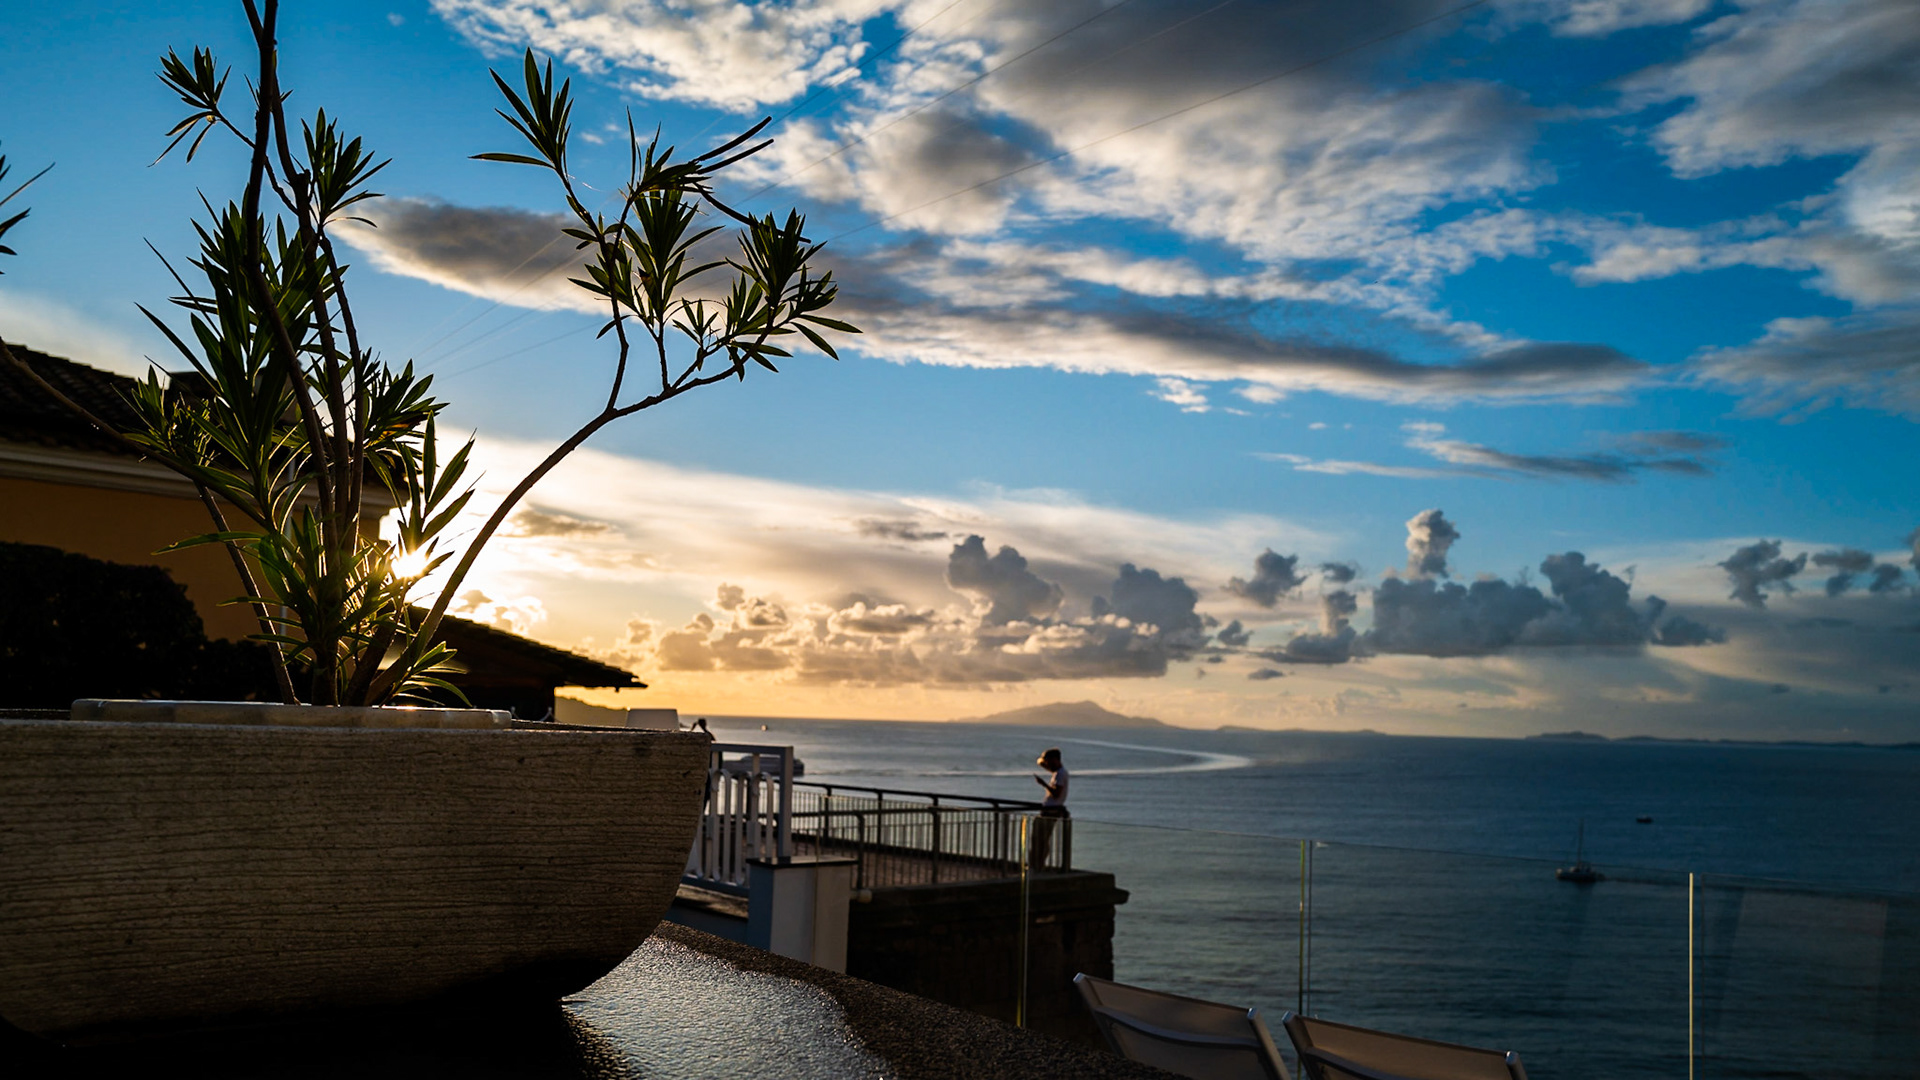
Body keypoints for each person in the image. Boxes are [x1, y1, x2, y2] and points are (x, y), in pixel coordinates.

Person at [1030, 747, 1069, 870]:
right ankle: (1037, 864)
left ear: (1055, 759)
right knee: (1041, 838)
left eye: (1048, 760)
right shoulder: (1058, 773)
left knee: (1040, 838)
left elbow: (1056, 793)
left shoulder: (1060, 774)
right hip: (1051, 810)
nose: (1047, 764)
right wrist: (1041, 762)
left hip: (1051, 811)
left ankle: (1037, 864)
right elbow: (1048, 768)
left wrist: (1043, 784)